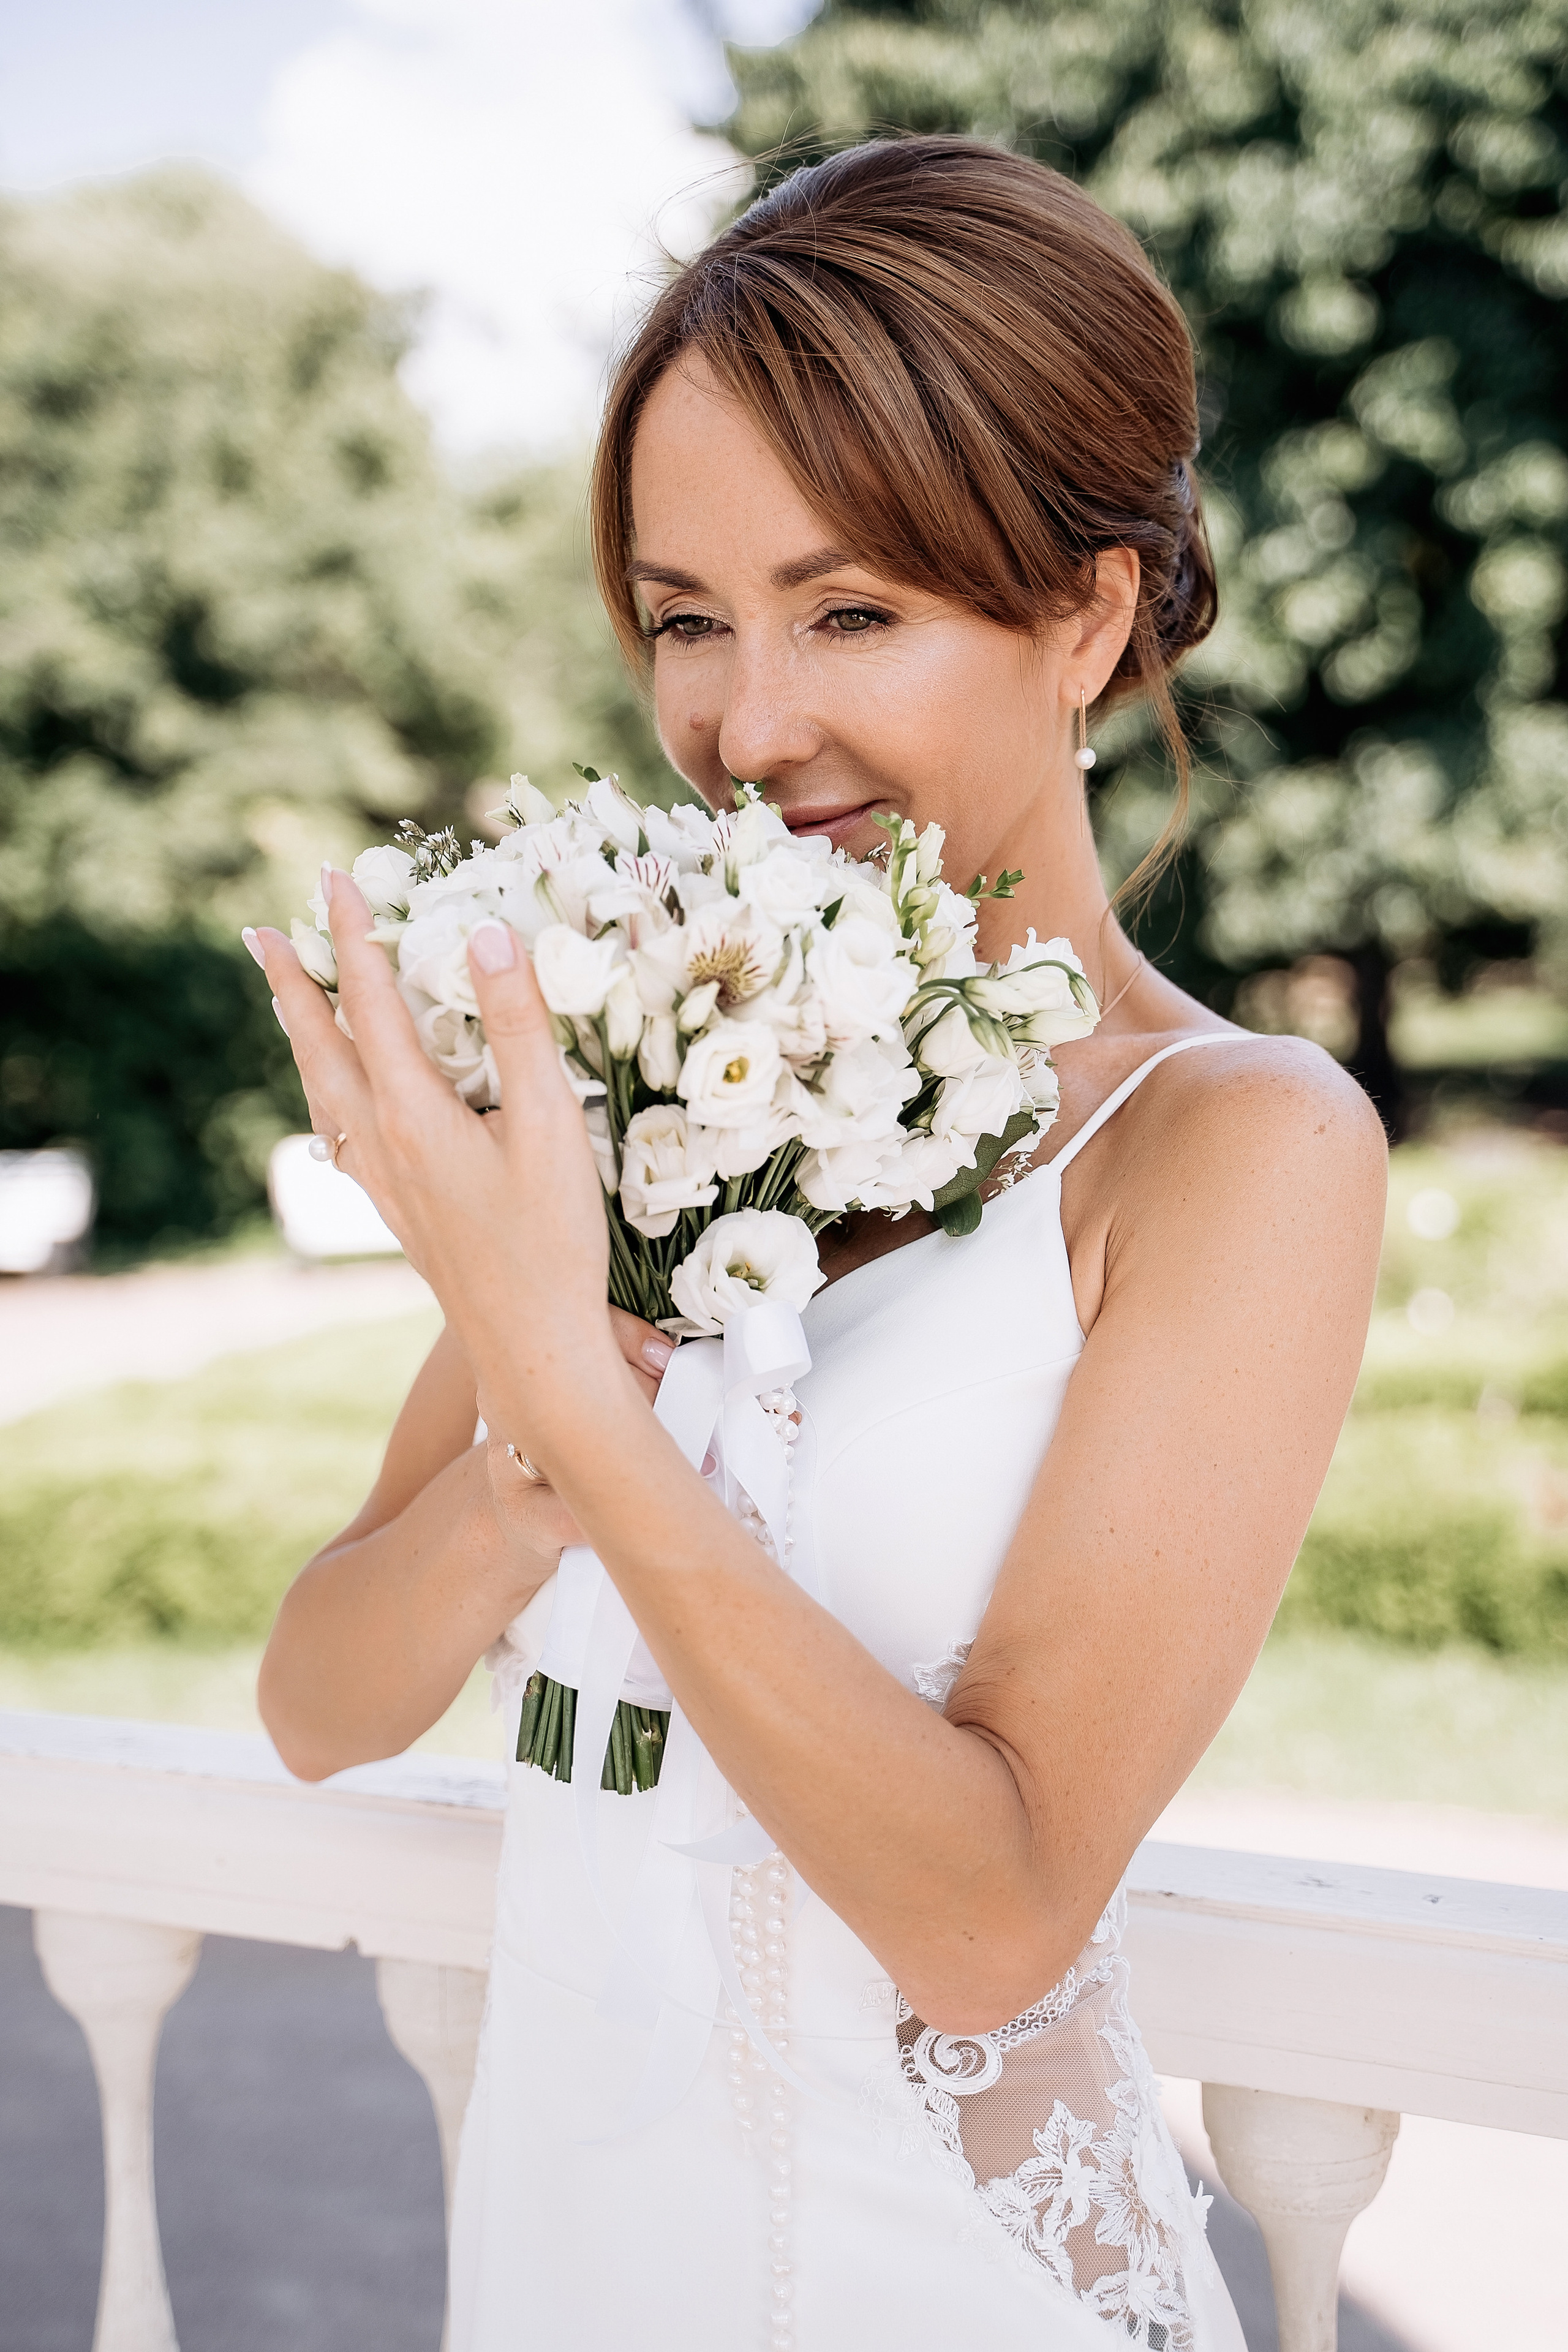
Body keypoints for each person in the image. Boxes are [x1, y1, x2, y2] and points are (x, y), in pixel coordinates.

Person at [248, 137, 1385, 2352]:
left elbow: (988, 1921)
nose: (748, 728)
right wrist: (516, 1462)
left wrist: (584, 1398)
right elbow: (317, 1704)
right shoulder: (652, 1090)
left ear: (1092, 611)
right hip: (569, 2275)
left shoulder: (1230, 1149)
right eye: (690, 617)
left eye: (850, 609)